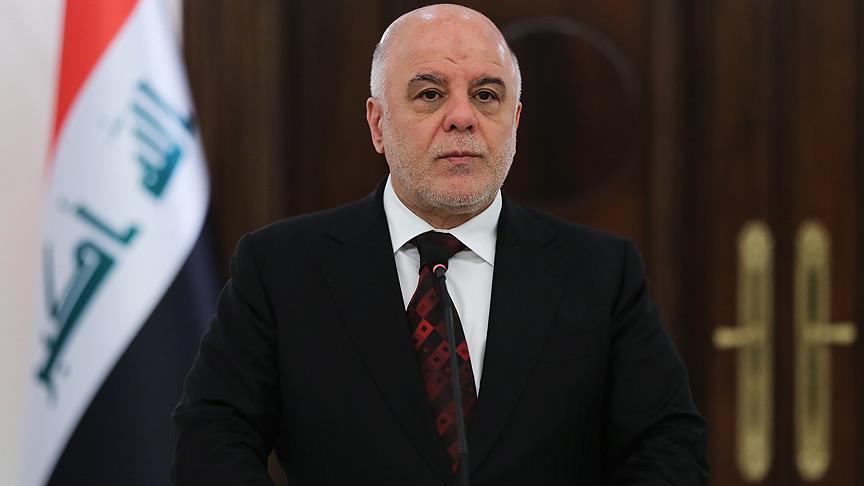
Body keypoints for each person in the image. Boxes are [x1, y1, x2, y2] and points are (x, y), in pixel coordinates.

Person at [172, 4, 709, 485]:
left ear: (515, 122)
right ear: (378, 123)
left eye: (486, 95)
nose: (462, 117)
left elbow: (667, 447)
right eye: (430, 94)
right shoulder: (281, 267)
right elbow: (213, 438)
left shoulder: (600, 272)